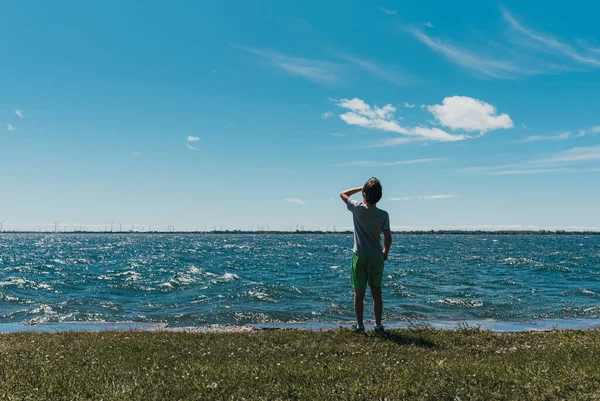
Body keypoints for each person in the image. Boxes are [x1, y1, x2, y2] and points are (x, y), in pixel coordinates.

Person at [340, 177, 392, 333]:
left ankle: (360, 325)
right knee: (377, 293)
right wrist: (385, 252)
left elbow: (343, 194)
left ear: (364, 194)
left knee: (359, 293)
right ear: (380, 196)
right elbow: (388, 237)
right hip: (376, 257)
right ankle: (377, 325)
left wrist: (360, 188)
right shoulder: (383, 214)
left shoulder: (357, 207)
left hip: (360, 256)